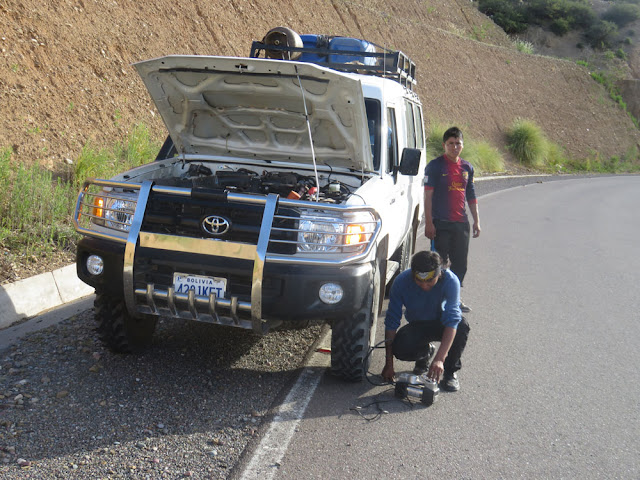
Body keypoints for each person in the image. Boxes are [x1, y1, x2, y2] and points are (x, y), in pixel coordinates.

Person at [381, 250, 470, 392]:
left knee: (461, 326)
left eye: (429, 282)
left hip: (442, 323)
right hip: (418, 325)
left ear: (439, 273)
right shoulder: (401, 282)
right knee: (400, 348)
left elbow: (452, 319)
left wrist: (440, 358)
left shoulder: (451, 281)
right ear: (413, 275)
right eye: (419, 281)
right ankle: (425, 353)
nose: (424, 286)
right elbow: (391, 321)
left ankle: (450, 372)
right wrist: (389, 364)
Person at [424, 126, 480, 312]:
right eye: (451, 143)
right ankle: (434, 299)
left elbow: (470, 195)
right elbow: (428, 196)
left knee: (460, 263)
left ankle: (454, 299)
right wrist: (429, 222)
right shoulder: (435, 166)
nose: (455, 147)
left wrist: (476, 221)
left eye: (458, 143)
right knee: (438, 263)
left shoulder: (467, 168)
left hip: (461, 223)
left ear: (462, 145)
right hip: (440, 223)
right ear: (444, 145)